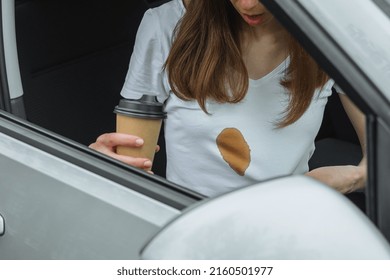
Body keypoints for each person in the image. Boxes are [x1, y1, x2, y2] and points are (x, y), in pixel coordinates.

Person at [89, 0, 366, 197]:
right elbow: (134, 180)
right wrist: (105, 169)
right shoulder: (166, 26)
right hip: (193, 234)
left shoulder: (333, 34)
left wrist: (353, 178)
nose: (248, 5)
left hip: (287, 228)